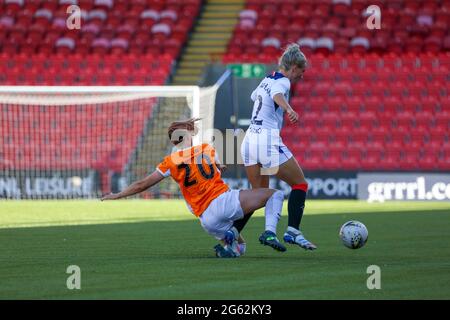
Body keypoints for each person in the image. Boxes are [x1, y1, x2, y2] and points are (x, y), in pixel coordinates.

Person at [101, 118, 287, 257]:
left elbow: (143, 184)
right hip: (222, 202)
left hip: (207, 220)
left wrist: (117, 195)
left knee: (240, 248)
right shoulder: (206, 148)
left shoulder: (170, 162)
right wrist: (220, 166)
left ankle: (229, 248)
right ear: (188, 135)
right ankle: (269, 232)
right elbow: (216, 164)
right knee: (275, 195)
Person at [238, 43, 317, 250]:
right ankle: (293, 232)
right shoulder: (283, 82)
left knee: (258, 194)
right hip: (266, 141)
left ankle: (233, 233)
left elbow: (254, 96)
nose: (302, 75)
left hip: (249, 141)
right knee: (300, 184)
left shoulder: (267, 78)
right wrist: (288, 109)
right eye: (301, 71)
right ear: (293, 68)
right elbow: (277, 95)